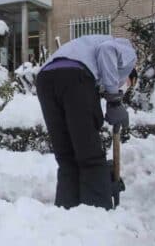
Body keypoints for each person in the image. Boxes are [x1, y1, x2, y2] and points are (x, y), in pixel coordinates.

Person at [35, 35, 137, 210]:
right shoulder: (128, 53)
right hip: (74, 76)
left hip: (45, 79)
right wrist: (114, 99)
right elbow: (107, 51)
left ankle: (67, 213)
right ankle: (96, 217)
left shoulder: (86, 48)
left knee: (67, 158)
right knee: (89, 156)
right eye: (127, 84)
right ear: (131, 74)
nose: (123, 87)